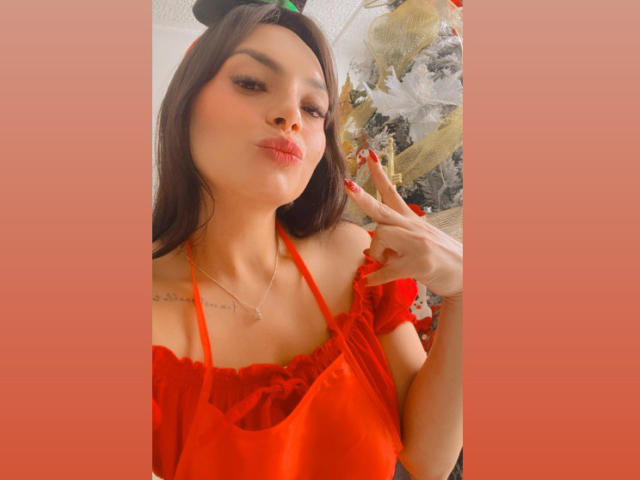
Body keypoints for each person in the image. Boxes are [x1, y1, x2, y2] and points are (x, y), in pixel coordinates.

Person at [152, 1, 462, 479]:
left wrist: (463, 294)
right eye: (251, 83)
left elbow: (427, 461)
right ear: (185, 102)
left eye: (314, 108)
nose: (290, 116)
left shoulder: (357, 258)